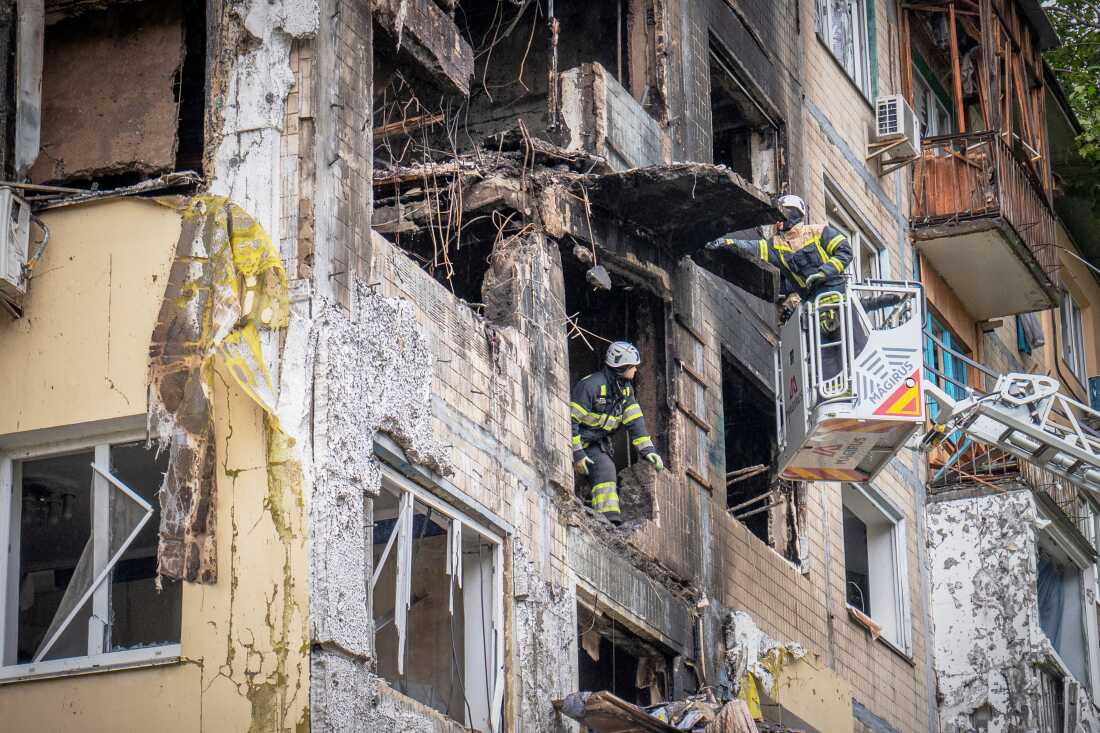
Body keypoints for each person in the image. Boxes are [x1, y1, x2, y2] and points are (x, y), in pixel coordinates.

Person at [570, 341, 665, 525]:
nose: (636, 370)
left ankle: (608, 522)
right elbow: (570, 421)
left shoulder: (625, 392)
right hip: (572, 442)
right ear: (622, 367)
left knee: (606, 469)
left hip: (595, 445)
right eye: (633, 367)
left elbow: (635, 422)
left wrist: (649, 451)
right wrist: (577, 453)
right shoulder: (591, 387)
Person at [704, 194, 853, 302]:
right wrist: (723, 242)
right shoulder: (775, 246)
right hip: (813, 303)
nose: (778, 221)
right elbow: (750, 247)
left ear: (794, 214)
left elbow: (845, 251)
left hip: (837, 292)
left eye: (783, 214)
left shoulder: (819, 232)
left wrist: (824, 272)